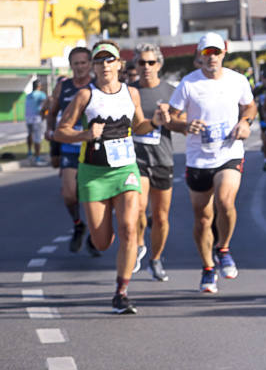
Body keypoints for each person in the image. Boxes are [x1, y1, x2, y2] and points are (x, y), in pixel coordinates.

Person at [52, 42, 168, 314]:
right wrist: (84, 135)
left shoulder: (132, 93)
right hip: (93, 174)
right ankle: (102, 236)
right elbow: (60, 132)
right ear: (93, 66)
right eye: (99, 61)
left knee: (129, 226)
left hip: (126, 168)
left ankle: (121, 292)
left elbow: (139, 125)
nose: (104, 65)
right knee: (103, 241)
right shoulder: (84, 96)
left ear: (119, 64)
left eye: (109, 60)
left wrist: (156, 122)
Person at [165, 33, 257, 294]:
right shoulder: (188, 84)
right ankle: (207, 268)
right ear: (199, 56)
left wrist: (245, 122)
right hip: (198, 157)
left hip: (229, 152)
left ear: (224, 53)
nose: (212, 57)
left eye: (216, 52)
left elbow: (250, 106)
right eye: (207, 53)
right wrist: (184, 124)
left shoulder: (237, 80)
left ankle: (224, 248)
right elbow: (171, 118)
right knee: (203, 219)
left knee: (225, 201)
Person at [45, 47, 99, 254]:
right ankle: (78, 224)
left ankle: (95, 238)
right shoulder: (63, 86)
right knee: (69, 195)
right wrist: (51, 132)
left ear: (90, 64)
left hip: (93, 147)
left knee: (93, 195)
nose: (80, 67)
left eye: (83, 63)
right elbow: (53, 111)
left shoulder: (96, 87)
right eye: (76, 64)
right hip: (69, 146)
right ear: (71, 65)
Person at [132, 43, 177, 282]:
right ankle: (139, 244)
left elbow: (182, 121)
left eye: (151, 62)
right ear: (136, 65)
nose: (147, 67)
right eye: (142, 62)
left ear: (159, 64)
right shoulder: (129, 91)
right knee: (138, 208)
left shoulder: (170, 90)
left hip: (162, 158)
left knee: (160, 217)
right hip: (135, 160)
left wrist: (172, 119)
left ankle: (156, 258)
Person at [24, 80, 47, 165]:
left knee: (30, 134)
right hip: (37, 118)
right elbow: (46, 104)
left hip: (28, 118)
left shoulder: (28, 95)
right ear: (39, 86)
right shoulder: (41, 94)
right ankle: (37, 158)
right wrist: (44, 114)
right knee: (37, 138)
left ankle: (29, 152)